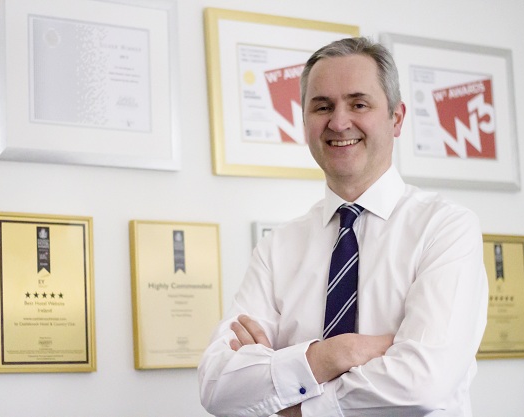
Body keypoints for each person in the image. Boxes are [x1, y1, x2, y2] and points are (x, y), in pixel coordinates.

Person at [198, 37, 488, 417]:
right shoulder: (277, 248)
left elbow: (421, 384)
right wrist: (333, 354)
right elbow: (217, 385)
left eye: (359, 104)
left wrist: (293, 401)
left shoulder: (445, 229)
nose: (338, 122)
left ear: (397, 118)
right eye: (322, 107)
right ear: (305, 122)